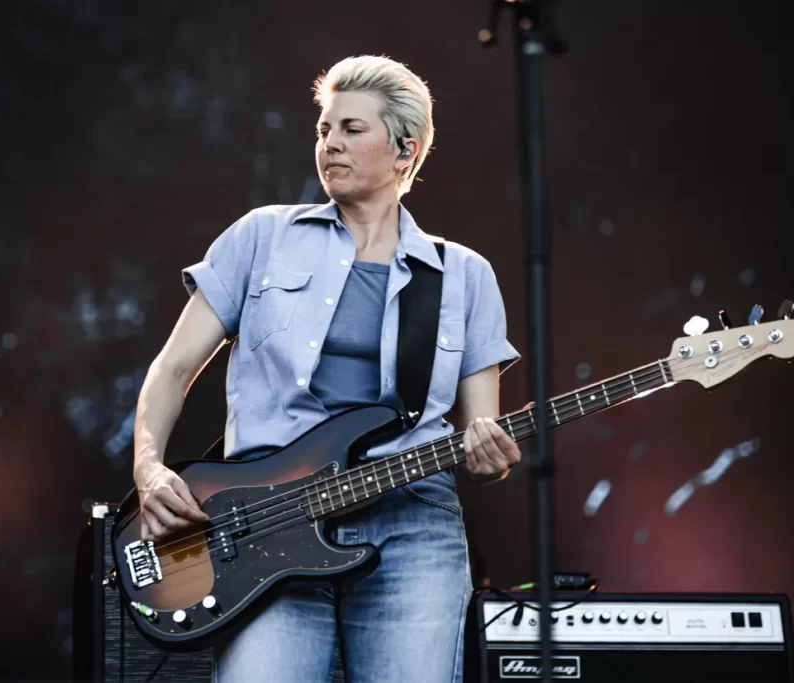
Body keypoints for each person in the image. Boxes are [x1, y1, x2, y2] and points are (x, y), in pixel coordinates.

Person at [132, 54, 523, 683]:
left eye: (351, 129)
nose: (329, 144)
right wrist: (149, 469)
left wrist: (491, 456)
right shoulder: (262, 237)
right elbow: (172, 369)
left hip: (411, 522)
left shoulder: (464, 276)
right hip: (265, 520)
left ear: (405, 151)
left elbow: (484, 440)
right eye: (324, 130)